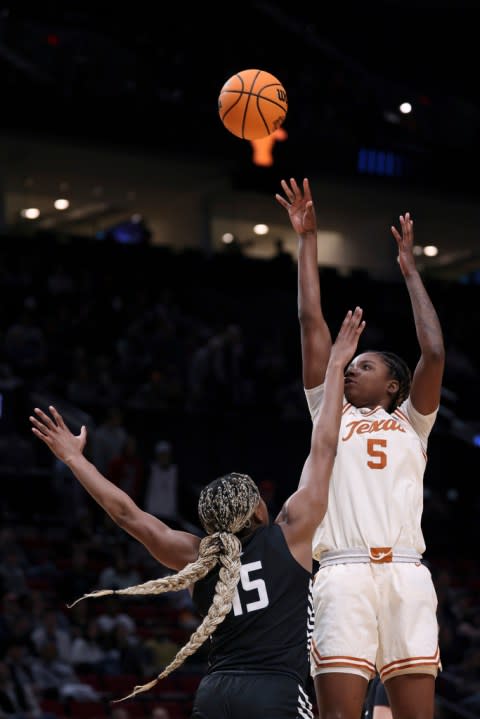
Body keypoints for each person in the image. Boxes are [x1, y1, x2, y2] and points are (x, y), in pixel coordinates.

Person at [29, 307, 365, 719]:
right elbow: (324, 445)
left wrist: (74, 460)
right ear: (259, 508)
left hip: (214, 694)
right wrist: (335, 366)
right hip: (274, 690)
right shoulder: (291, 533)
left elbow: (127, 515)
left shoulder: (196, 557)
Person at [276, 178, 445, 719]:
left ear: (393, 385)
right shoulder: (331, 412)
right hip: (343, 572)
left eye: (364, 366)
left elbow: (434, 352)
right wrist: (307, 240)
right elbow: (310, 322)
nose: (351, 370)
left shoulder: (413, 424)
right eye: (350, 366)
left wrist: (412, 273)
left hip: (406, 571)